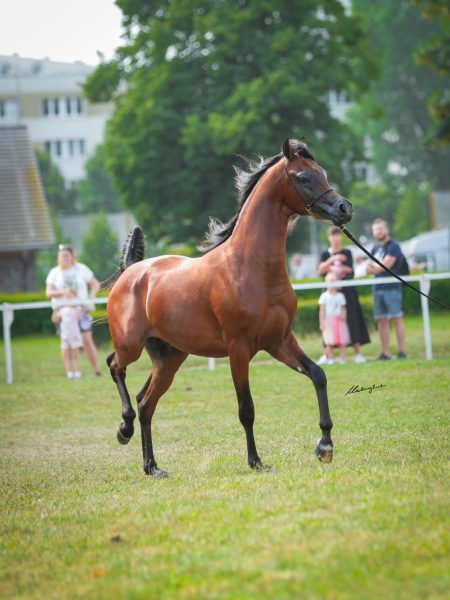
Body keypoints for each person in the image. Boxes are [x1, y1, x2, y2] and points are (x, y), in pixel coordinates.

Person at [46, 244, 102, 375]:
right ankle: (70, 372)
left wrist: (90, 298)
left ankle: (97, 370)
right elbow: (49, 292)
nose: (63, 258)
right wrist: (63, 293)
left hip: (81, 311)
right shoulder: (54, 272)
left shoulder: (81, 269)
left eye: (66, 255)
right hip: (63, 312)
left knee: (87, 339)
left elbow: (95, 284)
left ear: (72, 256)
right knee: (67, 343)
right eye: (61, 255)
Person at [318, 226, 370, 364]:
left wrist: (335, 268)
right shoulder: (325, 254)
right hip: (328, 294)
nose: (335, 238)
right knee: (328, 323)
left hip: (347, 293)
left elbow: (350, 270)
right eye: (333, 235)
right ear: (329, 238)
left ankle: (358, 353)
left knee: (352, 320)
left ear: (341, 237)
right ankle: (328, 355)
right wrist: (333, 260)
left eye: (338, 235)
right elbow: (320, 270)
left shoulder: (347, 252)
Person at [367, 219, 407, 360]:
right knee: (382, 321)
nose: (379, 231)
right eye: (376, 229)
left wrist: (375, 268)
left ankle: (402, 351)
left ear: (387, 229)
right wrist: (375, 268)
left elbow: (386, 266)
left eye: (381, 228)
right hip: (378, 287)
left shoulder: (394, 246)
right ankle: (385, 352)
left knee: (397, 318)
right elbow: (367, 269)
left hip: (392, 287)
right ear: (373, 232)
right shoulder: (374, 247)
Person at [318, 273, 350, 364]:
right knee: (329, 341)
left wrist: (344, 315)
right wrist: (321, 322)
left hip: (339, 321)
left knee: (341, 341)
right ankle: (330, 357)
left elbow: (343, 308)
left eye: (334, 282)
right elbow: (322, 310)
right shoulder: (324, 296)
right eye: (330, 282)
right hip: (328, 321)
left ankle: (343, 357)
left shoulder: (340, 296)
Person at [52, 291, 83, 379]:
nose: (68, 298)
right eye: (66, 296)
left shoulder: (76, 308)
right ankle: (69, 373)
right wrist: (56, 309)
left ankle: (78, 373)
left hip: (74, 335)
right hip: (65, 335)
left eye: (70, 296)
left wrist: (76, 305)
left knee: (75, 355)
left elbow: (79, 318)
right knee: (67, 355)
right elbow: (55, 319)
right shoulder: (62, 309)